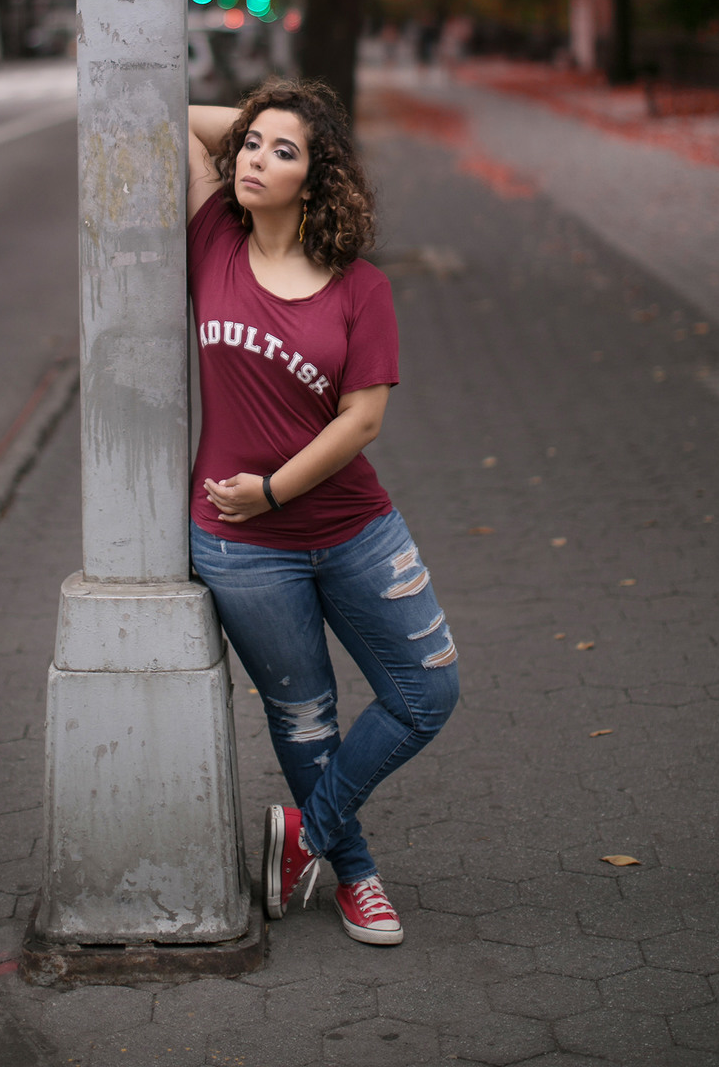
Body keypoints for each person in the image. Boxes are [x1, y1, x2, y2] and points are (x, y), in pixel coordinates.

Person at [187, 77, 459, 947]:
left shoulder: (359, 287)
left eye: (284, 153)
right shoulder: (212, 237)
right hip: (239, 549)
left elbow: (364, 419)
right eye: (252, 146)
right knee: (306, 717)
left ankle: (307, 831)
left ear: (319, 176)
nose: (258, 161)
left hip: (352, 529)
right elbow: (164, 115)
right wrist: (270, 124)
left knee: (427, 691)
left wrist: (272, 490)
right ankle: (357, 878)